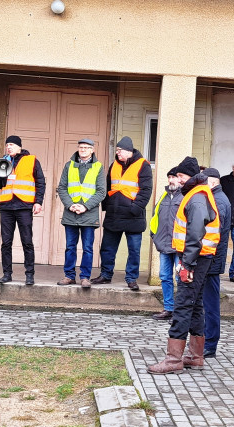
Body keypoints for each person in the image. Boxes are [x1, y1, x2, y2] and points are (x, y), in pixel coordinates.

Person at [148, 161, 219, 375]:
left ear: (189, 176)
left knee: (183, 305)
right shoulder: (199, 193)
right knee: (195, 305)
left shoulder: (196, 197)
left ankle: (173, 359)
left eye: (180, 175)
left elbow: (195, 234)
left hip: (194, 259)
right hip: (200, 258)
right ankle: (195, 356)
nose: (178, 180)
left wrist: (186, 264)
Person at [93, 137, 153, 290]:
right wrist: (106, 206)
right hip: (114, 214)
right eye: (117, 150)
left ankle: (131, 278)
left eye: (120, 151)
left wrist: (135, 208)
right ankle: (106, 275)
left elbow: (146, 191)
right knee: (107, 247)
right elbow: (108, 187)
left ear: (129, 151)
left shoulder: (143, 165)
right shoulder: (114, 165)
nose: (117, 153)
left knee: (134, 250)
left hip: (133, 216)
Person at [0, 135, 45, 285]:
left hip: (24, 206)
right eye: (7, 144)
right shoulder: (3, 161)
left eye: (12, 145)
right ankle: (7, 274)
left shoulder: (32, 160)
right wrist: (1, 171)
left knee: (27, 241)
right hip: (7, 207)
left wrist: (38, 202)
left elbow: (40, 182)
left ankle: (29, 275)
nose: (9, 147)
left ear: (19, 147)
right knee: (6, 243)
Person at [56, 138, 105, 287]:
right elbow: (62, 188)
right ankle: (69, 276)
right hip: (71, 213)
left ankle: (85, 277)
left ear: (92, 150)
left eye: (86, 147)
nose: (83, 149)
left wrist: (85, 206)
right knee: (70, 247)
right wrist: (70, 205)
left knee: (87, 248)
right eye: (81, 147)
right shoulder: (69, 165)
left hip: (88, 214)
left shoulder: (98, 167)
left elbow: (101, 191)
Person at [202, 167, 232, 358]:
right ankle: (206, 340)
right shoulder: (215, 198)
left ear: (212, 182)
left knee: (211, 304)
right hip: (209, 259)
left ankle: (210, 343)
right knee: (206, 303)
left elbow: (214, 232)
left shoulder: (218, 201)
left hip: (211, 260)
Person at [149, 167, 183, 320]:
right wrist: (154, 236)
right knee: (164, 277)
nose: (171, 180)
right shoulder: (164, 196)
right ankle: (168, 308)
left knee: (180, 278)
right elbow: (155, 217)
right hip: (163, 244)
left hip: (179, 246)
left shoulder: (185, 196)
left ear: (180, 179)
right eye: (169, 177)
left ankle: (181, 310)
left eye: (174, 177)